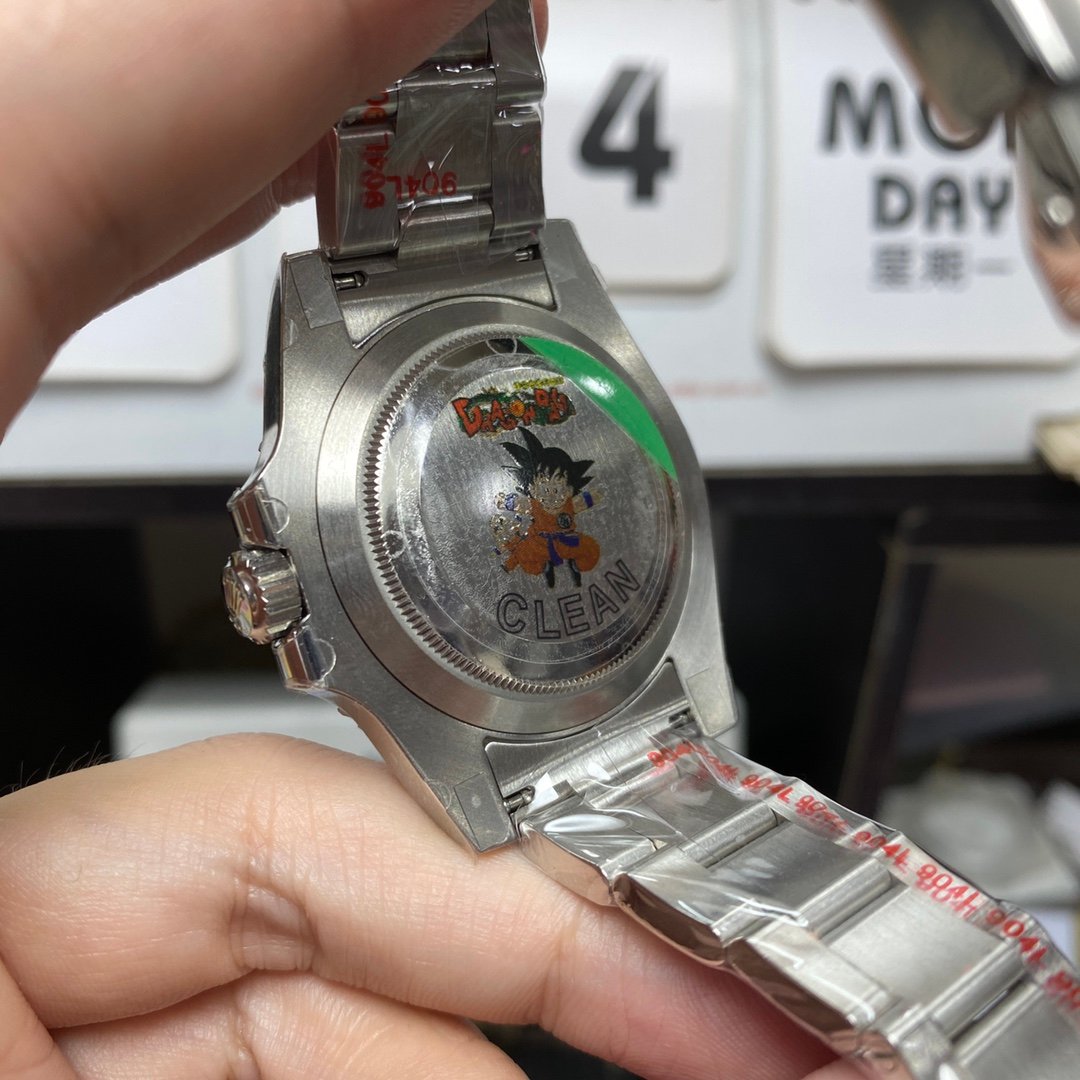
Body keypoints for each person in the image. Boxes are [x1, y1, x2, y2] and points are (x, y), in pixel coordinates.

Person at [0, 2, 861, 1076]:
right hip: (536, 714)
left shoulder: (562, 351)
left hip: (613, 665)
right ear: (277, 588)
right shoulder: (440, 321)